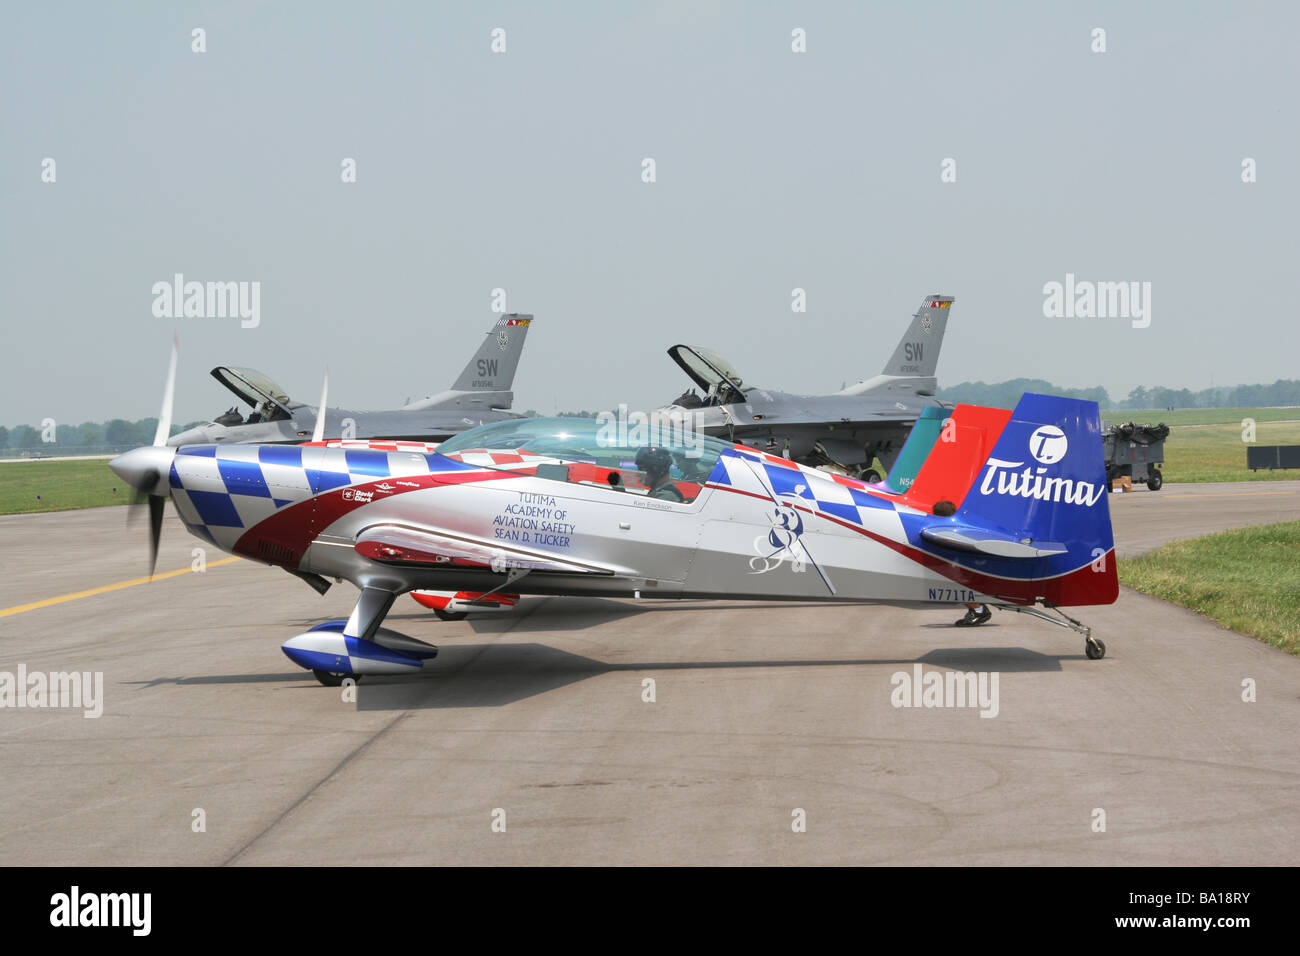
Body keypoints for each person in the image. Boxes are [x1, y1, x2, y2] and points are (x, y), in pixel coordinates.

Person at [931, 499, 991, 627]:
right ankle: (977, 607)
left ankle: (978, 610)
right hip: (975, 568)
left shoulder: (947, 531)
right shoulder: (958, 526)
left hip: (966, 571)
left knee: (952, 583)